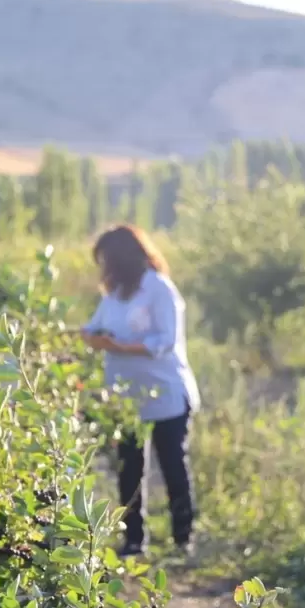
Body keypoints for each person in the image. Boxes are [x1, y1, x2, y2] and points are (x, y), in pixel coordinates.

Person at [80, 224, 200, 558]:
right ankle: (134, 540)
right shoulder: (115, 293)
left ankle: (183, 538)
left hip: (165, 395)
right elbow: (93, 327)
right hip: (126, 399)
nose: (104, 268)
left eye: (106, 260)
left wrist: (117, 346)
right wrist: (90, 338)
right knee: (129, 469)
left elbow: (164, 342)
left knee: (173, 464)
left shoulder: (159, 289)